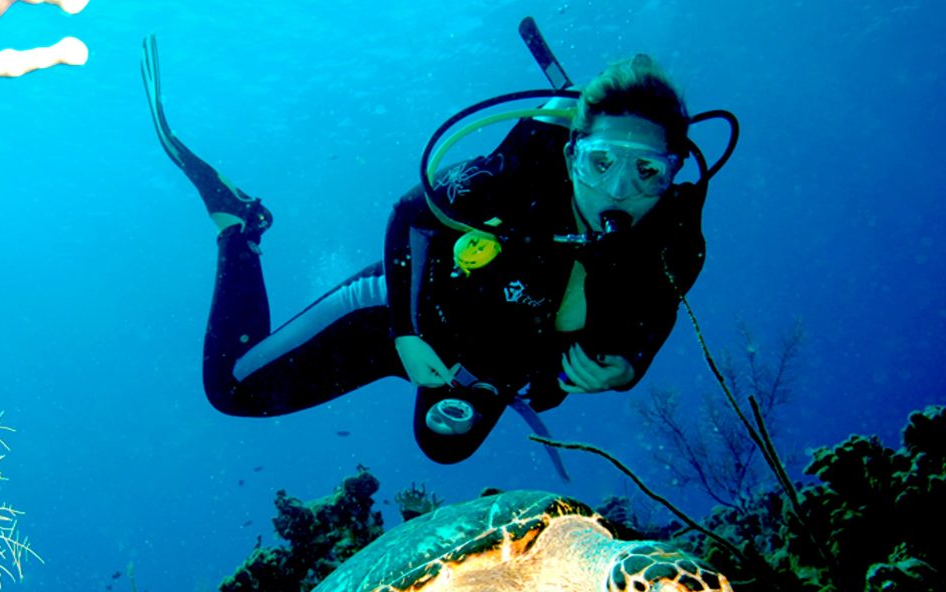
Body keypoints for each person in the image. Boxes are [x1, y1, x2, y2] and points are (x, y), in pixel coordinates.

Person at [142, 37, 715, 465]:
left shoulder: (673, 246)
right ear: (572, 154)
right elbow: (408, 213)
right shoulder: (512, 177)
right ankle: (239, 228)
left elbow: (657, 317)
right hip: (402, 313)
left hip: (491, 360)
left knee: (443, 449)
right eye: (602, 162)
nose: (618, 190)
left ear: (672, 175)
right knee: (232, 390)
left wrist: (628, 369)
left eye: (646, 171)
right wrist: (406, 332)